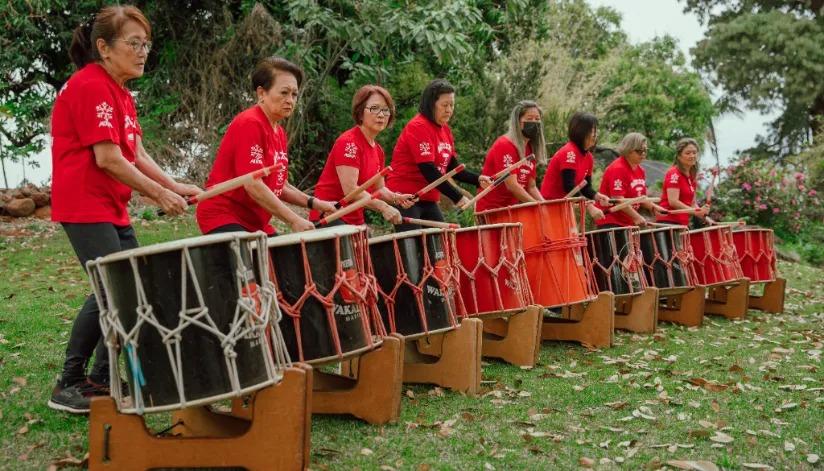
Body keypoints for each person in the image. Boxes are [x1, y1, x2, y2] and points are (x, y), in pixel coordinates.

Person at [48, 6, 203, 413]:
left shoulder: (119, 91)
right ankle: (70, 382)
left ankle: (102, 378)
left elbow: (135, 152)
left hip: (109, 204)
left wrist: (174, 185)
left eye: (146, 44)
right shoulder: (90, 86)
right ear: (103, 47)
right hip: (84, 202)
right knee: (111, 288)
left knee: (129, 285)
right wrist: (158, 195)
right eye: (133, 43)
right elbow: (108, 158)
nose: (143, 52)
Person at [196, 57, 337, 236]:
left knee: (282, 260)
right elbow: (253, 184)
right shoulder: (250, 123)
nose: (290, 100)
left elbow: (280, 185)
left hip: (254, 221)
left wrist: (314, 203)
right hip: (223, 215)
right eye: (284, 92)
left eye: (294, 94)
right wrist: (293, 219)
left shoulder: (279, 132)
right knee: (257, 261)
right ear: (261, 93)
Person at [385, 79, 491, 231]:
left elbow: (451, 166)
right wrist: (457, 196)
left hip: (428, 198)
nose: (449, 110)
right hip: (406, 197)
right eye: (444, 105)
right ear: (431, 104)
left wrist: (477, 180)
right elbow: (429, 171)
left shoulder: (445, 130)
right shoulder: (418, 126)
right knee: (415, 245)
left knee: (441, 245)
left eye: (452, 105)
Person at [310, 85, 414, 226]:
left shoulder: (378, 150)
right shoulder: (349, 143)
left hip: (353, 218)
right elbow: (351, 190)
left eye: (385, 110)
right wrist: (383, 207)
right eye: (374, 108)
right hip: (330, 215)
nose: (381, 114)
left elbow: (379, 189)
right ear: (360, 113)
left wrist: (397, 198)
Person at [475, 100, 546, 212]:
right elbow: (512, 185)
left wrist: (546, 206)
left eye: (537, 119)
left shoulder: (529, 149)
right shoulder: (505, 145)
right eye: (529, 119)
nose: (534, 122)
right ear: (518, 122)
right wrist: (537, 206)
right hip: (490, 210)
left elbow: (531, 187)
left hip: (510, 210)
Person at [540, 112, 609, 220]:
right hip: (551, 206)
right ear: (581, 132)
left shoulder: (589, 157)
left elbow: (586, 187)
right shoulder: (569, 152)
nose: (595, 135)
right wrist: (590, 206)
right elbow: (569, 186)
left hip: (565, 207)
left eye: (596, 130)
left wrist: (597, 196)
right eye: (592, 131)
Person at [594, 132, 666, 228]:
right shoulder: (618, 168)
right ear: (628, 150)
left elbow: (642, 198)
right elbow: (618, 199)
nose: (643, 154)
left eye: (645, 150)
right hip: (611, 221)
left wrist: (654, 207)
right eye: (640, 151)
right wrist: (636, 217)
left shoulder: (640, 170)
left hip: (627, 222)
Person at [656, 137, 710, 227]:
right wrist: (695, 212)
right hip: (668, 222)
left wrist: (704, 216)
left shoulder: (692, 176)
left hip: (682, 223)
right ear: (679, 156)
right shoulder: (674, 173)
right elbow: (673, 201)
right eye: (688, 153)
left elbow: (692, 203)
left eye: (694, 152)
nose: (692, 156)